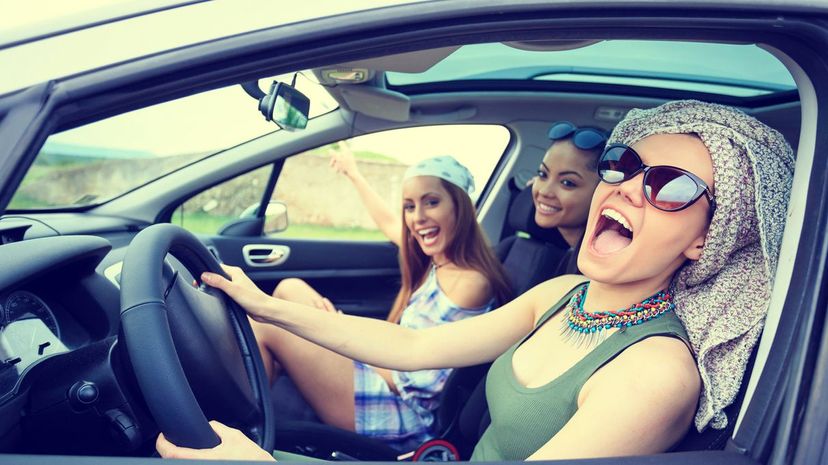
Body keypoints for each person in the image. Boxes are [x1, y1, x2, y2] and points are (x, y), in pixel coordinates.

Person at [156, 100, 794, 461]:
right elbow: (412, 348)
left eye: (671, 188)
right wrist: (260, 306)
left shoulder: (655, 373)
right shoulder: (562, 296)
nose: (628, 186)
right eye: (624, 165)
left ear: (708, 239)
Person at [249, 149, 513, 451]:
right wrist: (353, 173)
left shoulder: (470, 282)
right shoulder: (438, 260)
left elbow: (414, 373)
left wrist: (336, 330)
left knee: (269, 322)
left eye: (432, 202)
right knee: (289, 288)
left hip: (398, 413)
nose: (418, 218)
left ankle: (243, 434)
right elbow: (389, 222)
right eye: (409, 207)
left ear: (461, 207)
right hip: (383, 372)